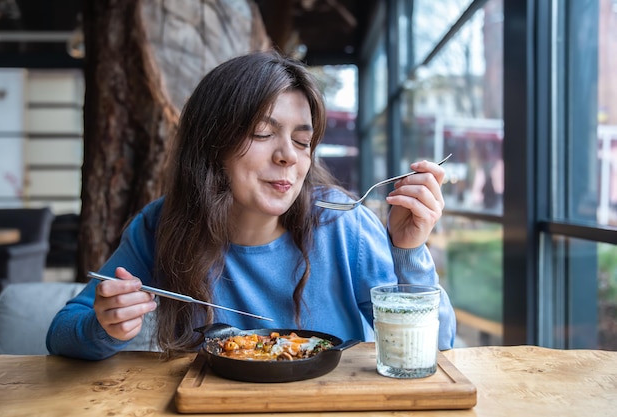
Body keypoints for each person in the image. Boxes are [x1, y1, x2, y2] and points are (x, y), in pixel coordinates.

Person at [46, 50, 456, 360]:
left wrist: (408, 251)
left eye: (301, 141)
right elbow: (62, 334)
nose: (288, 157)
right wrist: (105, 325)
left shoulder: (342, 224)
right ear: (212, 145)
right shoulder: (162, 224)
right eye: (263, 133)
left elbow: (437, 345)